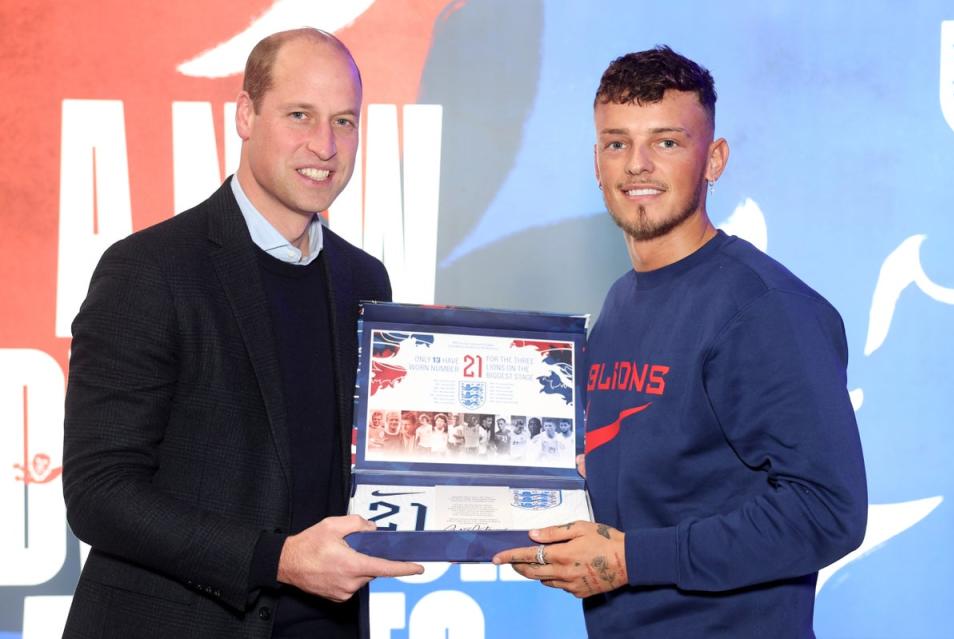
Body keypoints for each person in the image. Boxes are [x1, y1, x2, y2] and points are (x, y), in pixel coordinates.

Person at [494, 46, 867, 638]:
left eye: (666, 142)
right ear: (597, 161)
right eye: (617, 143)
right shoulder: (620, 303)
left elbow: (827, 512)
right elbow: (666, 471)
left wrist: (631, 561)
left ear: (713, 159)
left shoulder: (765, 309)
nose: (637, 165)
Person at [62, 28, 423, 639]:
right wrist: (276, 560)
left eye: (344, 121)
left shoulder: (365, 280)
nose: (324, 145)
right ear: (246, 115)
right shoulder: (150, 270)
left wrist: (509, 485)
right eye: (300, 115)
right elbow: (100, 491)